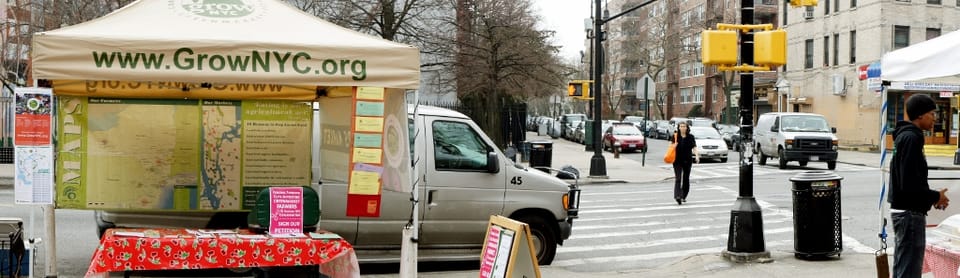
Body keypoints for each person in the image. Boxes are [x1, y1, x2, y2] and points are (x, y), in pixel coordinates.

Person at [889, 93, 950, 278]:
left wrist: (930, 198)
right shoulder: (911, 138)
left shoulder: (906, 137)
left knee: (903, 268)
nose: (935, 118)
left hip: (905, 212)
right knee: (909, 271)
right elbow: (909, 184)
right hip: (909, 215)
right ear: (921, 115)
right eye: (932, 113)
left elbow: (909, 180)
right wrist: (934, 196)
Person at [671, 121, 699, 205]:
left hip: (687, 160)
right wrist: (673, 146)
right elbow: (670, 147)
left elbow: (694, 147)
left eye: (684, 126)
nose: (683, 128)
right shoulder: (675, 136)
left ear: (687, 128)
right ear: (678, 128)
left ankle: (683, 196)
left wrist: (697, 156)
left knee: (686, 179)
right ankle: (677, 196)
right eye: (681, 126)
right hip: (677, 160)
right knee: (678, 178)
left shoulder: (690, 137)